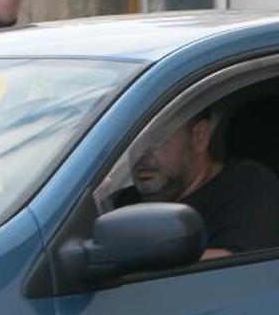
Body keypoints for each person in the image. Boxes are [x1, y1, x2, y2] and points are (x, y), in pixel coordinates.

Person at [115, 109, 279, 257]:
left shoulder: (245, 184)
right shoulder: (123, 203)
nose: (141, 153)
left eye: (158, 139)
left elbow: (237, 265)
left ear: (199, 137)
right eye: (133, 140)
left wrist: (132, 260)